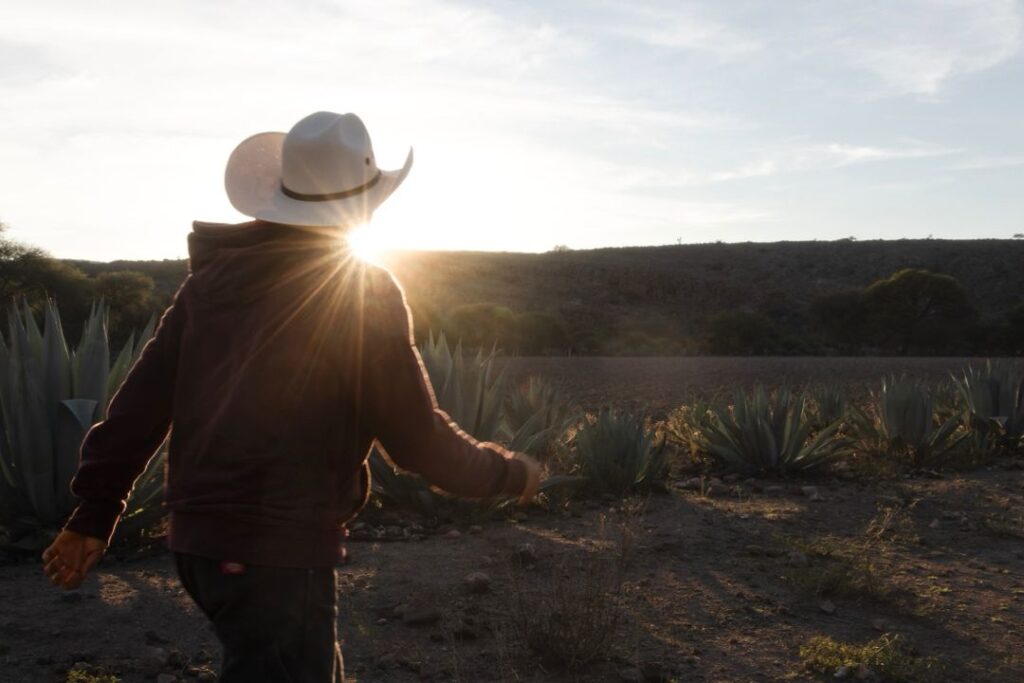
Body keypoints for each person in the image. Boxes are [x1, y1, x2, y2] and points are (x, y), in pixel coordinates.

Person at [41, 111, 542, 682]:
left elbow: (138, 407)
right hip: (274, 549)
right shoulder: (360, 289)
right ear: (362, 204)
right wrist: (508, 473)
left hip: (201, 547)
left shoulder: (207, 285)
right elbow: (416, 439)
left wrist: (94, 514)